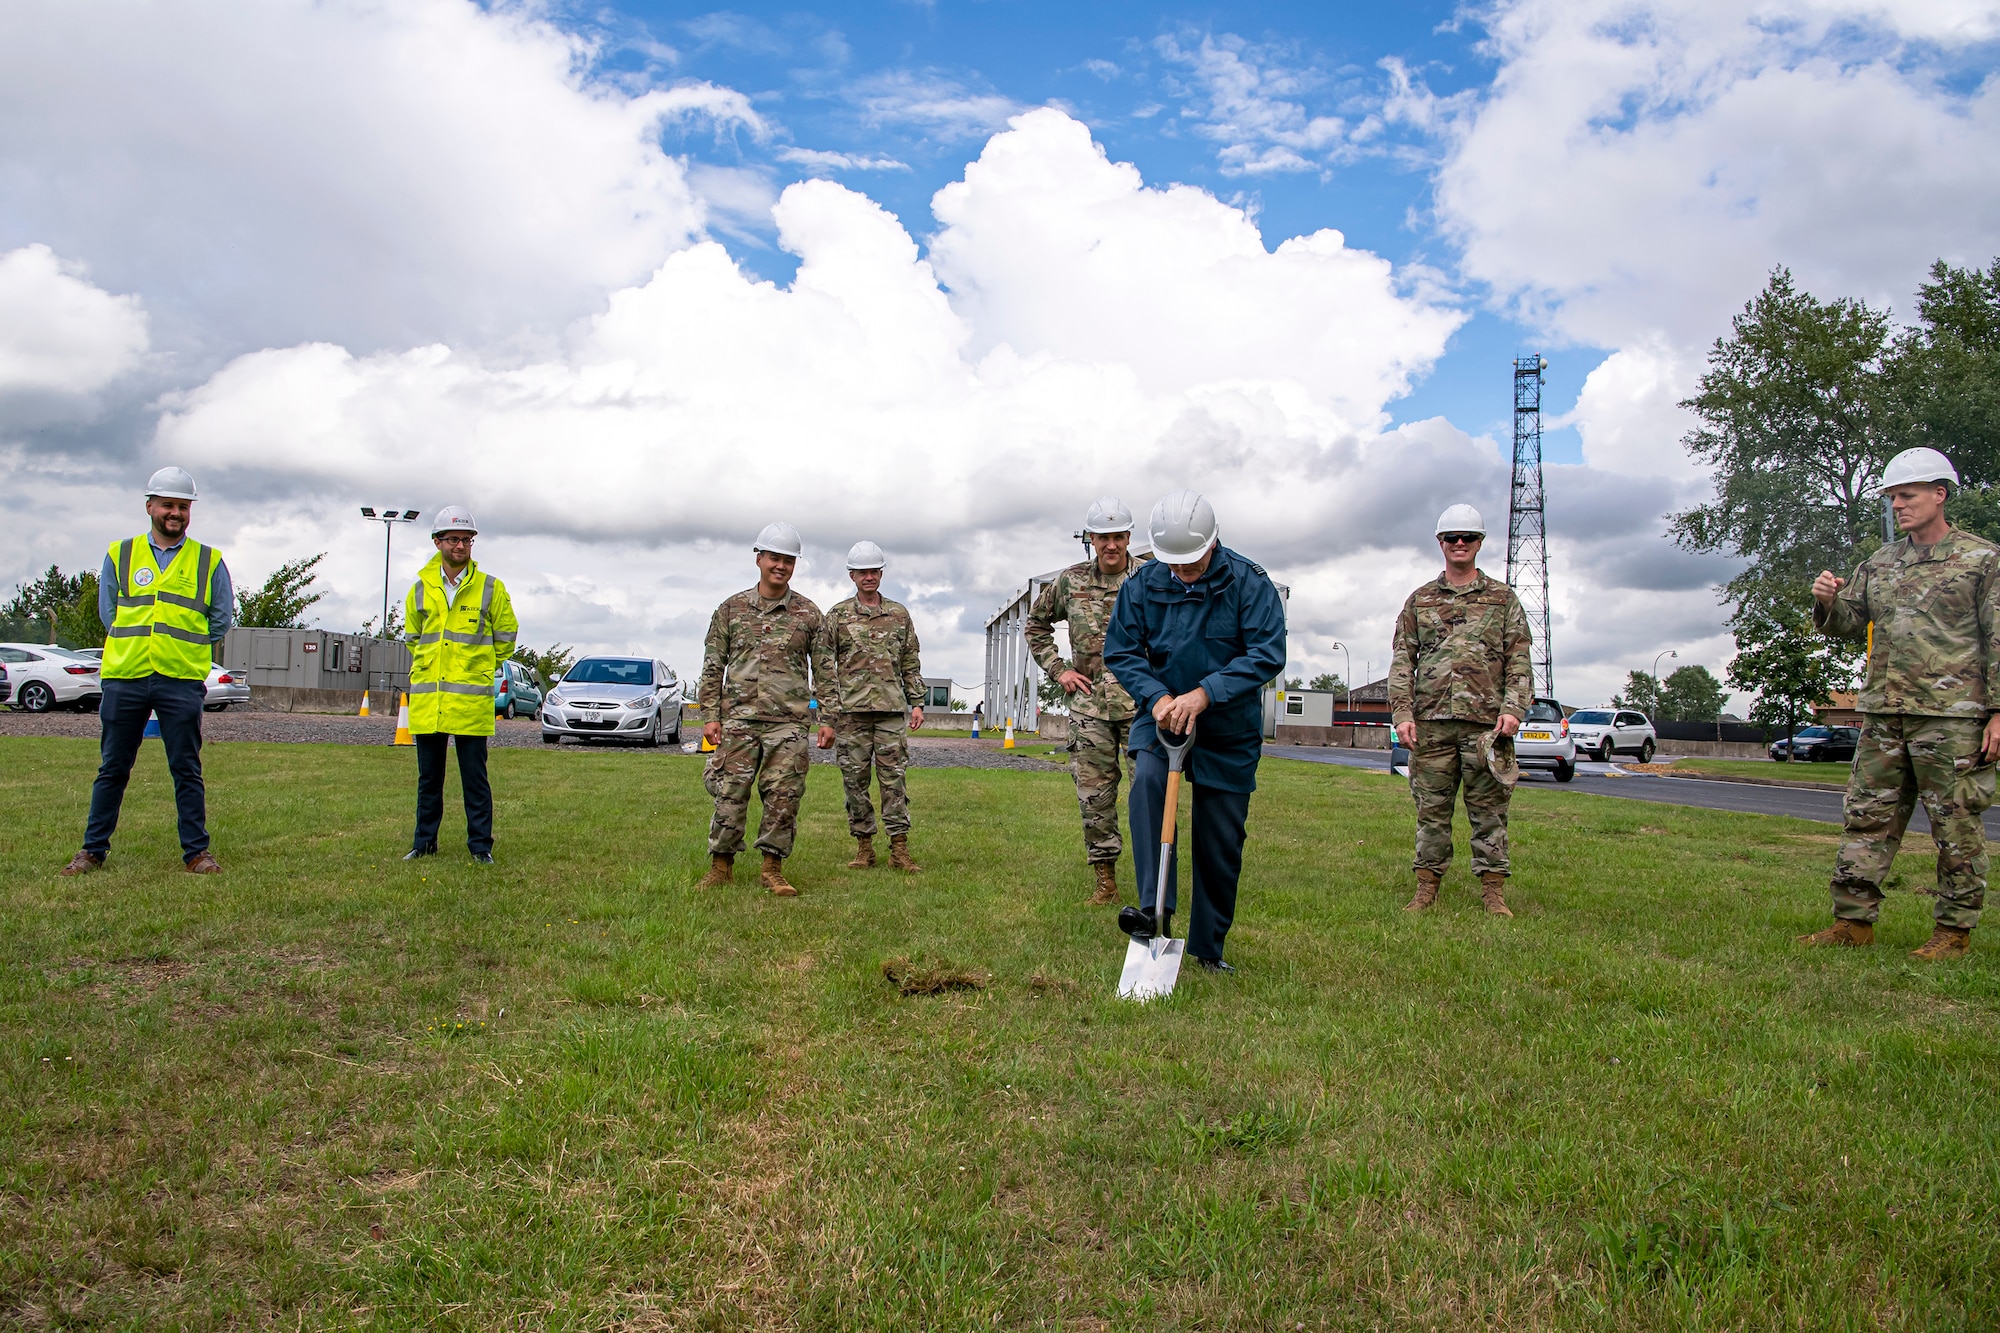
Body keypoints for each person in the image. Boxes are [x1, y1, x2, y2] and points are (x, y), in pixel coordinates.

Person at [1803, 446, 2000, 960]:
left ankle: (1954, 932)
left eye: (1907, 495)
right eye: (1892, 498)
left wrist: (1999, 713)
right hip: (1884, 714)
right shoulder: (1881, 563)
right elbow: (1848, 622)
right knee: (1867, 817)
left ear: (1940, 494)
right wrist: (1827, 601)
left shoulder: (1983, 560)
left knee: (1955, 825)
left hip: (1952, 717)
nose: (1898, 506)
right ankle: (1852, 922)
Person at [1102, 490, 1287, 972]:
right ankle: (1153, 910)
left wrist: (1206, 693)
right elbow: (1120, 651)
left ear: (1214, 540)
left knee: (1220, 836)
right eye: (1174, 564)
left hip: (1227, 724)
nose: (1182, 572)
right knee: (1146, 786)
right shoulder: (1141, 584)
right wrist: (1158, 697)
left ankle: (1208, 948)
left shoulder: (1250, 583)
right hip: (1160, 716)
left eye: (1192, 562)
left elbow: (1268, 653)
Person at [62, 467, 234, 876]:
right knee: (113, 768)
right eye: (168, 505)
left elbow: (220, 620)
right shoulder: (120, 553)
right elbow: (110, 614)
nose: (176, 513)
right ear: (150, 506)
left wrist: (180, 647)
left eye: (183, 506)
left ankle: (196, 852)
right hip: (126, 676)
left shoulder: (209, 560)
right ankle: (92, 851)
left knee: (186, 769)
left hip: (180, 679)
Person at [1388, 504, 1534, 916]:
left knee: (1489, 811)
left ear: (1479, 543)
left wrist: (1513, 710)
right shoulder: (1420, 601)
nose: (1459, 544)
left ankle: (1493, 892)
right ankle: (1426, 888)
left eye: (1467, 537)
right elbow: (1403, 661)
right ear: (1440, 542)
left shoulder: (1502, 599)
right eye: (1451, 537)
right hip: (1431, 727)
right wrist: (1402, 714)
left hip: (1486, 728)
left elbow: (1518, 658)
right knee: (1431, 811)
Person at [1025, 497, 1148, 903]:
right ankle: (1106, 881)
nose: (1110, 545)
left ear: (1128, 537)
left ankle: (1154, 882)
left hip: (1143, 706)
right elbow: (1035, 625)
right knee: (1095, 796)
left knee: (1150, 793)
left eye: (1117, 537)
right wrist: (1059, 670)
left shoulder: (1152, 579)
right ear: (1090, 539)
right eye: (1102, 538)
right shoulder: (1070, 581)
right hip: (1089, 707)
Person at [697, 522, 824, 896]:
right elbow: (712, 665)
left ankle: (772, 868)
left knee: (784, 797)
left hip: (788, 723)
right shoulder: (731, 610)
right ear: (759, 559)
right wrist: (710, 716)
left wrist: (828, 719)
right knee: (730, 793)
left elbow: (825, 670)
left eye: (788, 560)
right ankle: (721, 866)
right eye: (774, 558)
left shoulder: (808, 614)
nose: (780, 566)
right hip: (738, 719)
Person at [402, 506, 518, 863]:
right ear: (438, 542)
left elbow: (507, 637)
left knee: (475, 780)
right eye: (453, 539)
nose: (461, 545)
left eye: (467, 539)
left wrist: (479, 667)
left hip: (469, 701)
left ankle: (480, 847)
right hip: (430, 700)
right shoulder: (420, 588)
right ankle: (423, 843)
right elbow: (412, 637)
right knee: (429, 780)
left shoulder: (490, 588)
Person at [814, 541, 926, 872]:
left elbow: (910, 660)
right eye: (862, 572)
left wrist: (917, 702)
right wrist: (828, 716)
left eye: (874, 571)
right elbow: (823, 666)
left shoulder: (899, 614)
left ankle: (899, 848)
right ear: (852, 575)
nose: (869, 577)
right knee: (854, 780)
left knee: (894, 779)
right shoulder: (837, 616)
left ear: (881, 573)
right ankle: (864, 846)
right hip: (851, 714)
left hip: (891, 712)